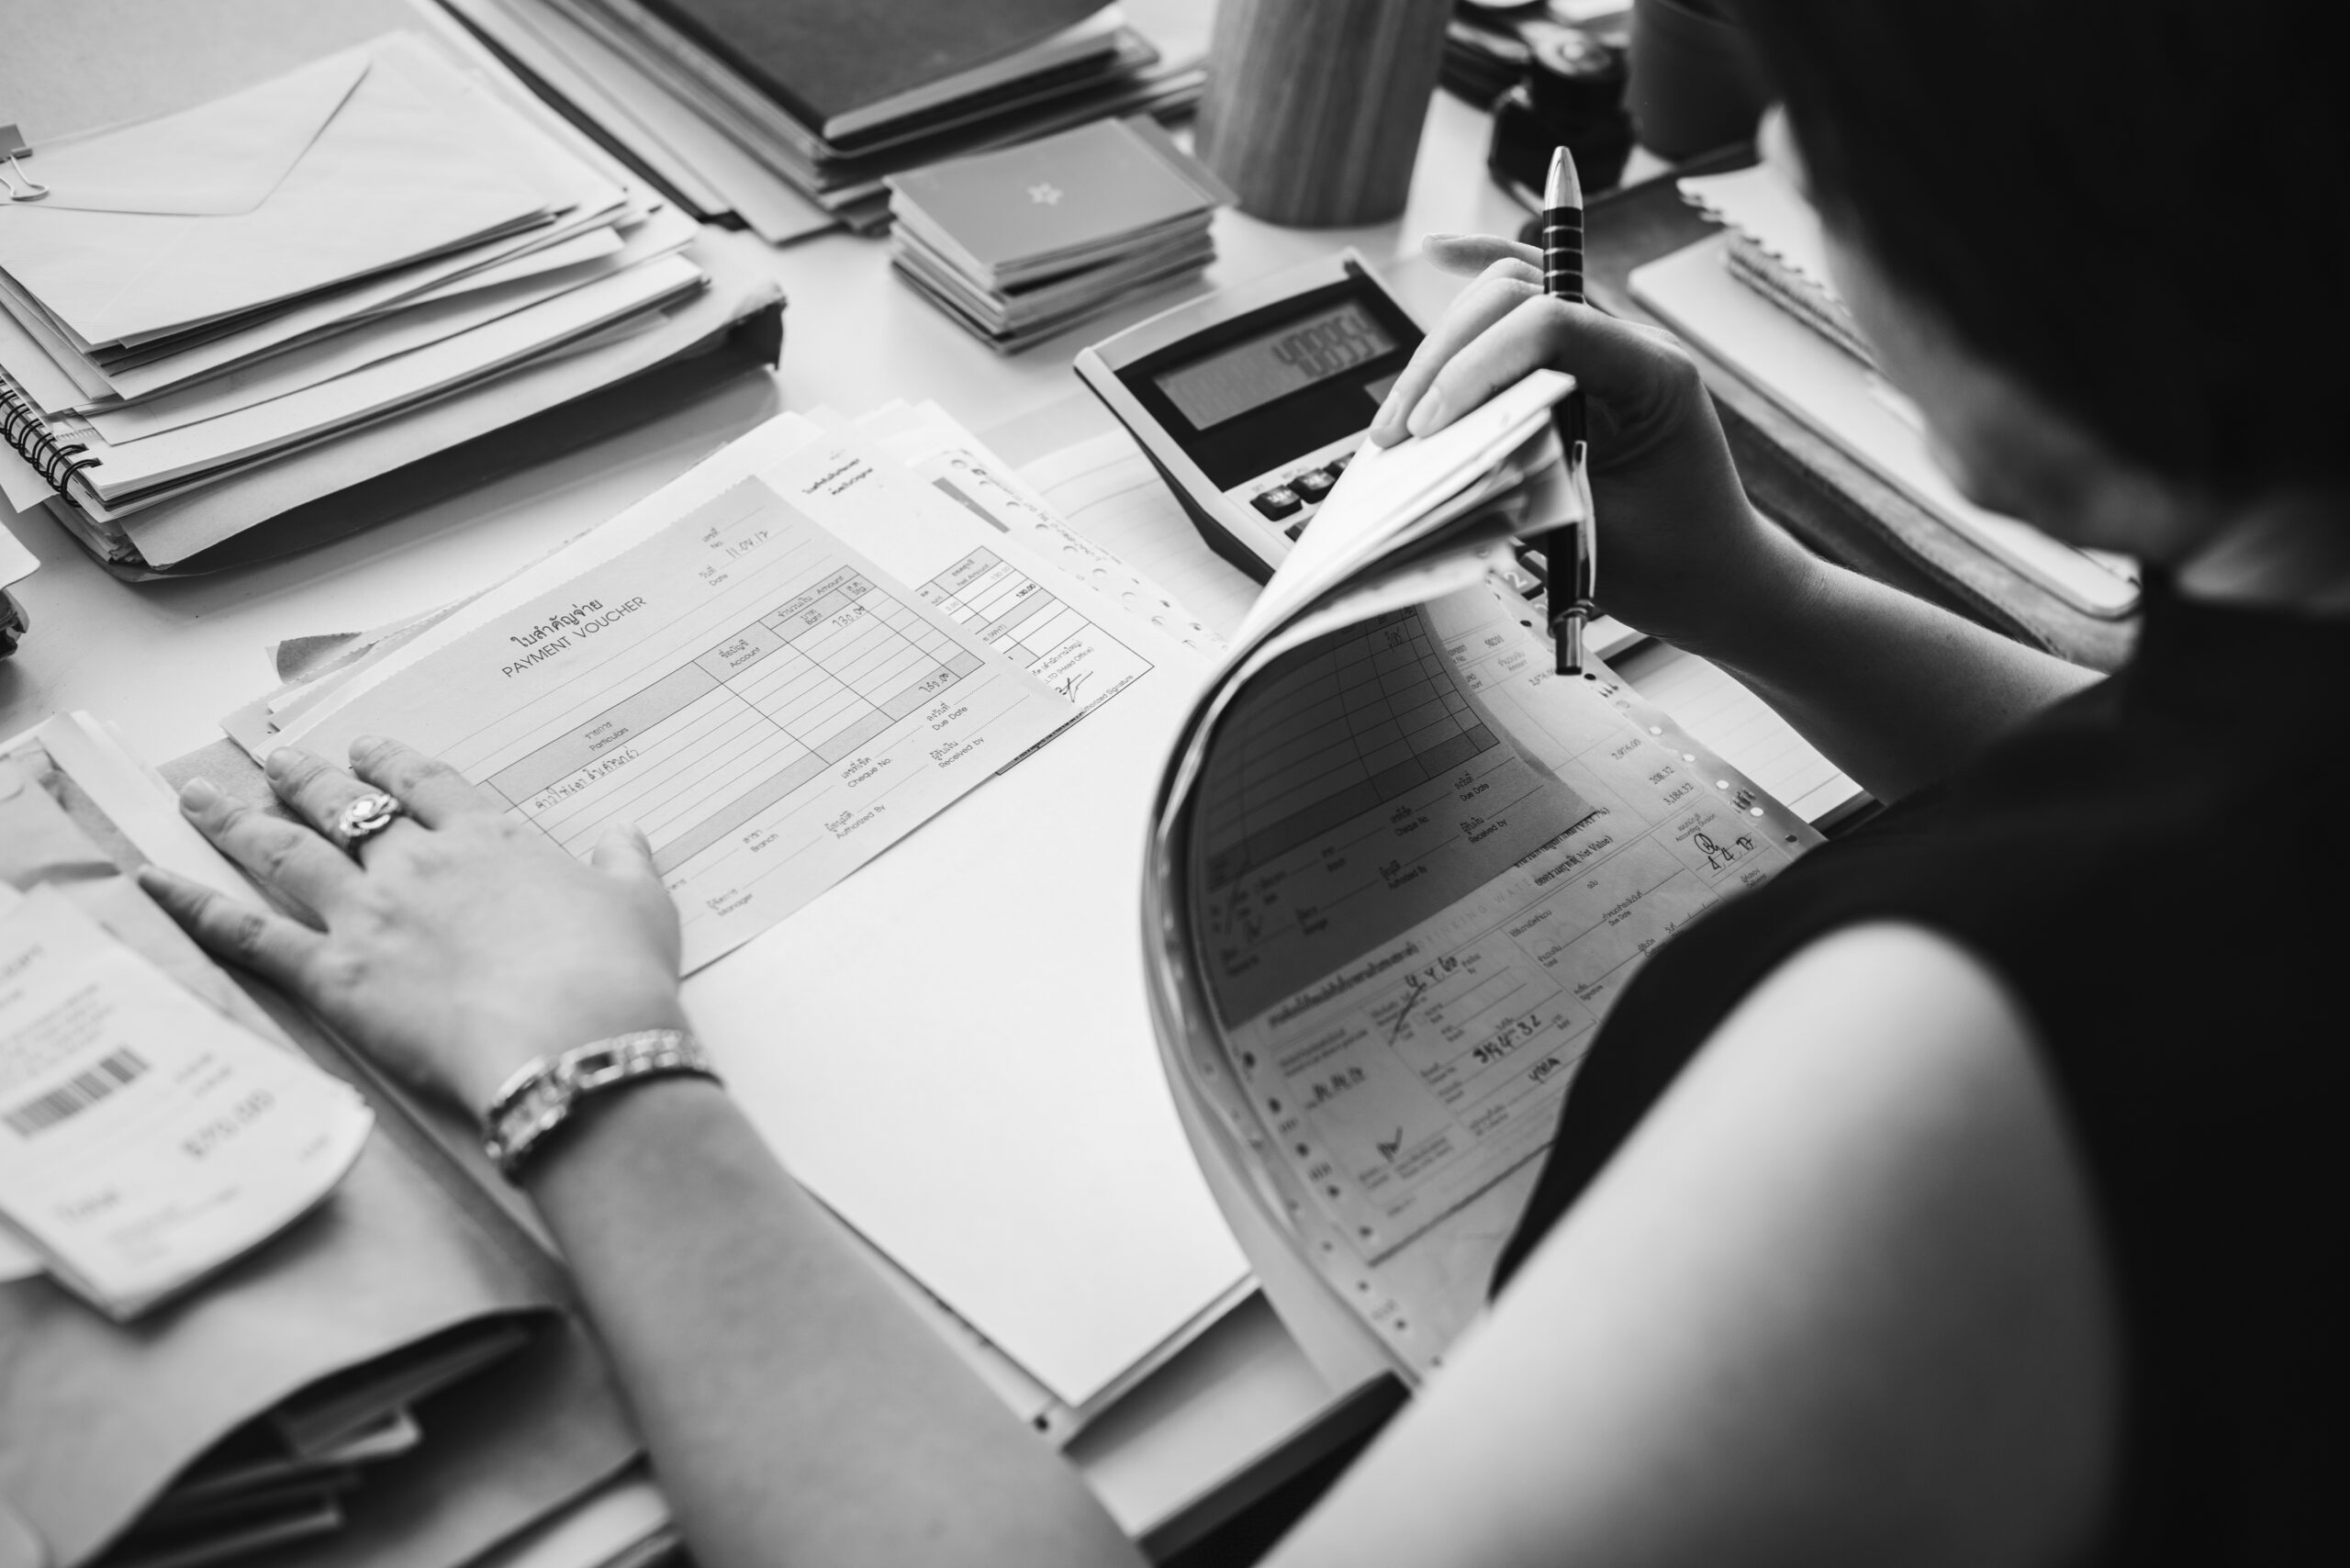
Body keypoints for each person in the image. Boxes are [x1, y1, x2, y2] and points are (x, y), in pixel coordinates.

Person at [138, 1, 2338, 1562]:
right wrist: (1762, 596)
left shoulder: (1962, 1054)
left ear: (2047, 184)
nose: (1755, 153)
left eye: (1807, 99)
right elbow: (2216, 790)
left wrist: (594, 1076)